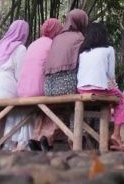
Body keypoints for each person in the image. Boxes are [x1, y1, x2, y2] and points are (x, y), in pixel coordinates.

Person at [36, 9, 89, 150]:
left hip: (48, 87)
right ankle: (75, 139)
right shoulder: (80, 38)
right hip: (66, 86)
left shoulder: (57, 38)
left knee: (61, 105)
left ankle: (47, 137)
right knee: (79, 102)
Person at [77, 22, 124, 151]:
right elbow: (111, 74)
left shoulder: (82, 52)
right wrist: (113, 84)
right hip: (98, 88)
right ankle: (116, 134)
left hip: (81, 89)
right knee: (121, 99)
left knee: (111, 96)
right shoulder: (108, 49)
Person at [17, 18, 63, 152]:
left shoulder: (33, 44)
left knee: (40, 110)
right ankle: (47, 138)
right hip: (39, 89)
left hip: (22, 89)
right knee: (59, 107)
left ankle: (35, 138)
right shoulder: (53, 44)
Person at [0, 19, 30, 150]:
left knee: (15, 106)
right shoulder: (20, 48)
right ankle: (20, 142)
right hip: (5, 90)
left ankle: (8, 142)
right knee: (26, 103)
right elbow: (20, 76)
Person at [18, 18, 63, 98]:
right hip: (39, 91)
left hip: (21, 91)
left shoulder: (33, 44)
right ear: (57, 31)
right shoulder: (53, 44)